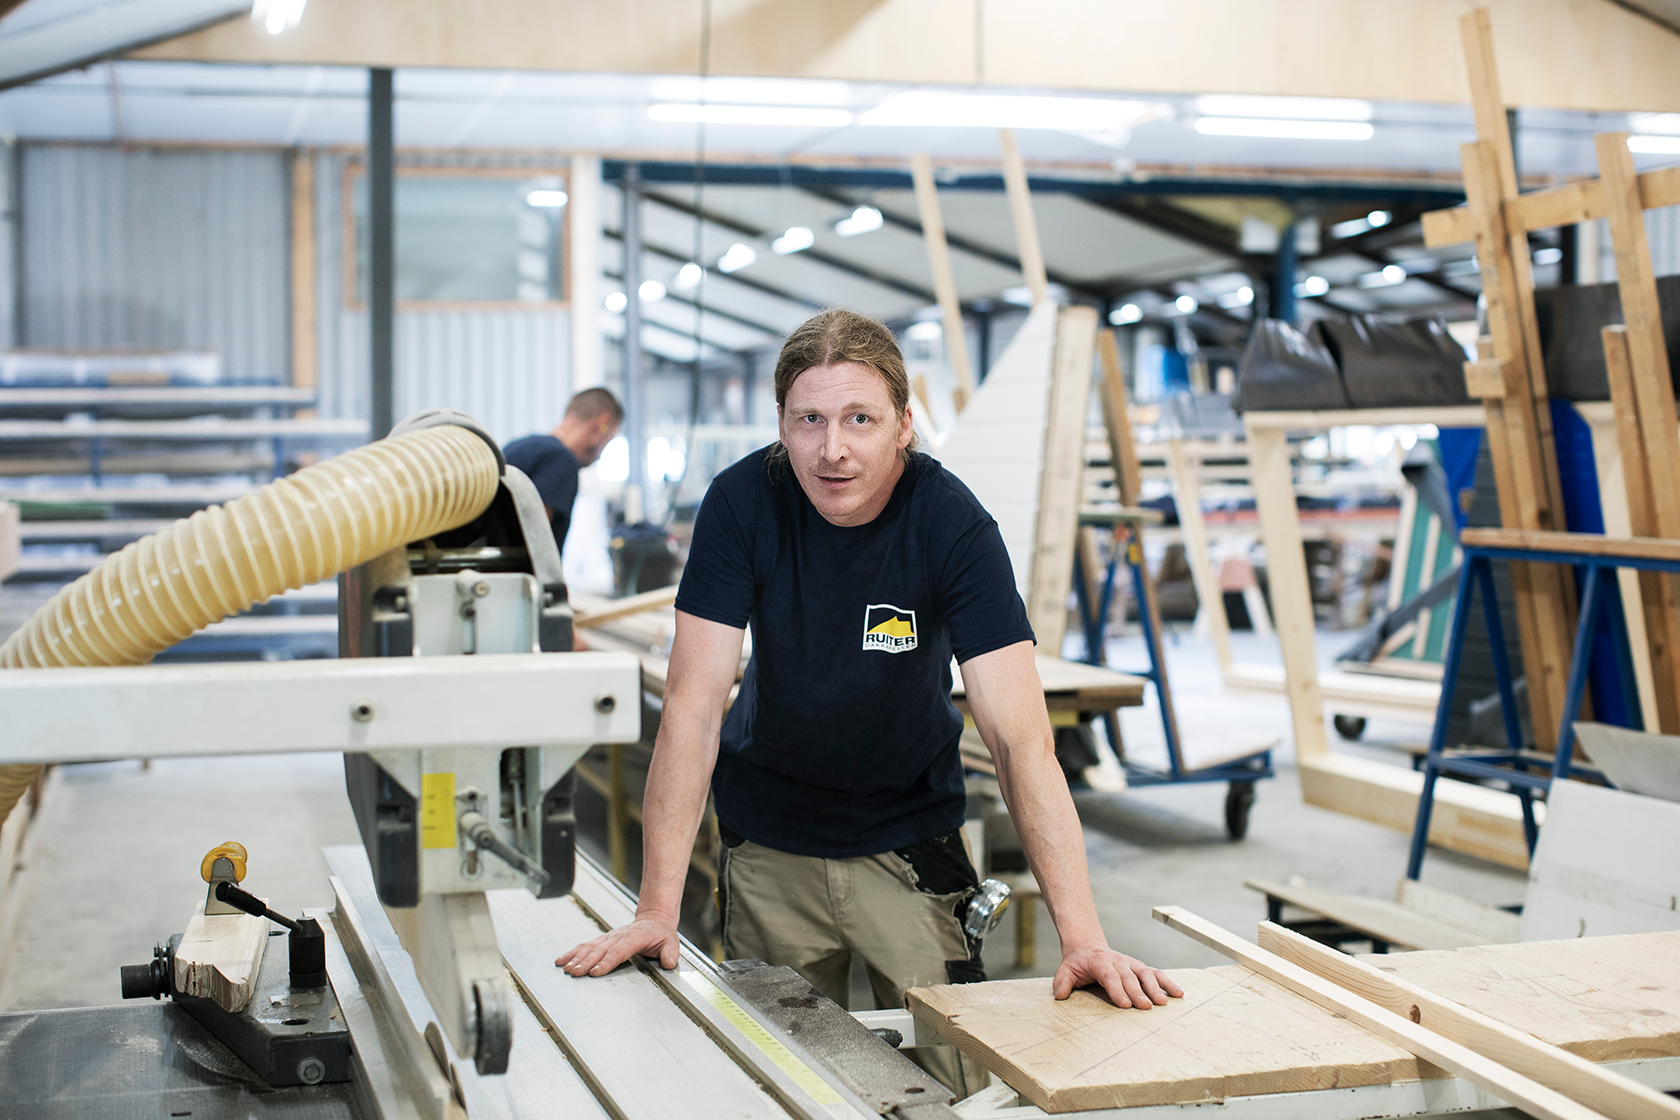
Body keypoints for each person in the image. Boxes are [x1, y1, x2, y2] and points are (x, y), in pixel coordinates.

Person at [555, 310, 1181, 1095]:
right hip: (771, 842)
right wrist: (657, 909)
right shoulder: (742, 503)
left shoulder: (951, 524)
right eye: (807, 420)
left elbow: (1022, 742)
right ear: (780, 423)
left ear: (904, 426)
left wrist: (1082, 934)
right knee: (771, 1081)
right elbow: (692, 706)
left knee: (954, 1085)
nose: (833, 449)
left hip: (910, 845)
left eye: (860, 419)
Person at [503, 387, 623, 557]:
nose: (600, 455)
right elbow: (534, 541)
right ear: (601, 425)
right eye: (608, 440)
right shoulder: (561, 460)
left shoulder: (521, 446)